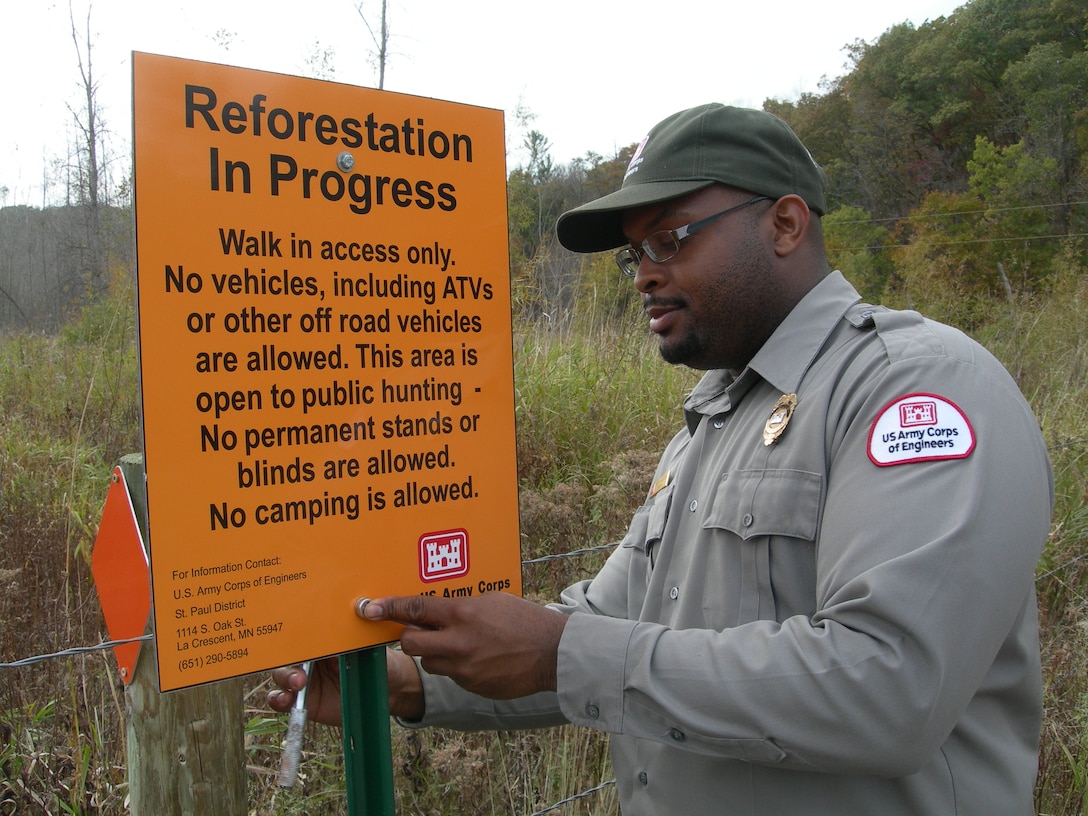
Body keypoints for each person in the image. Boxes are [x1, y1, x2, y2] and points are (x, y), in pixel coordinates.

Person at [270, 104, 1054, 815]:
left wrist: (563, 652)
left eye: (671, 238)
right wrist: (414, 684)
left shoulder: (913, 388)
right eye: (633, 253)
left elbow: (890, 688)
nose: (644, 273)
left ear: (784, 224)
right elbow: (609, 624)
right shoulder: (713, 420)